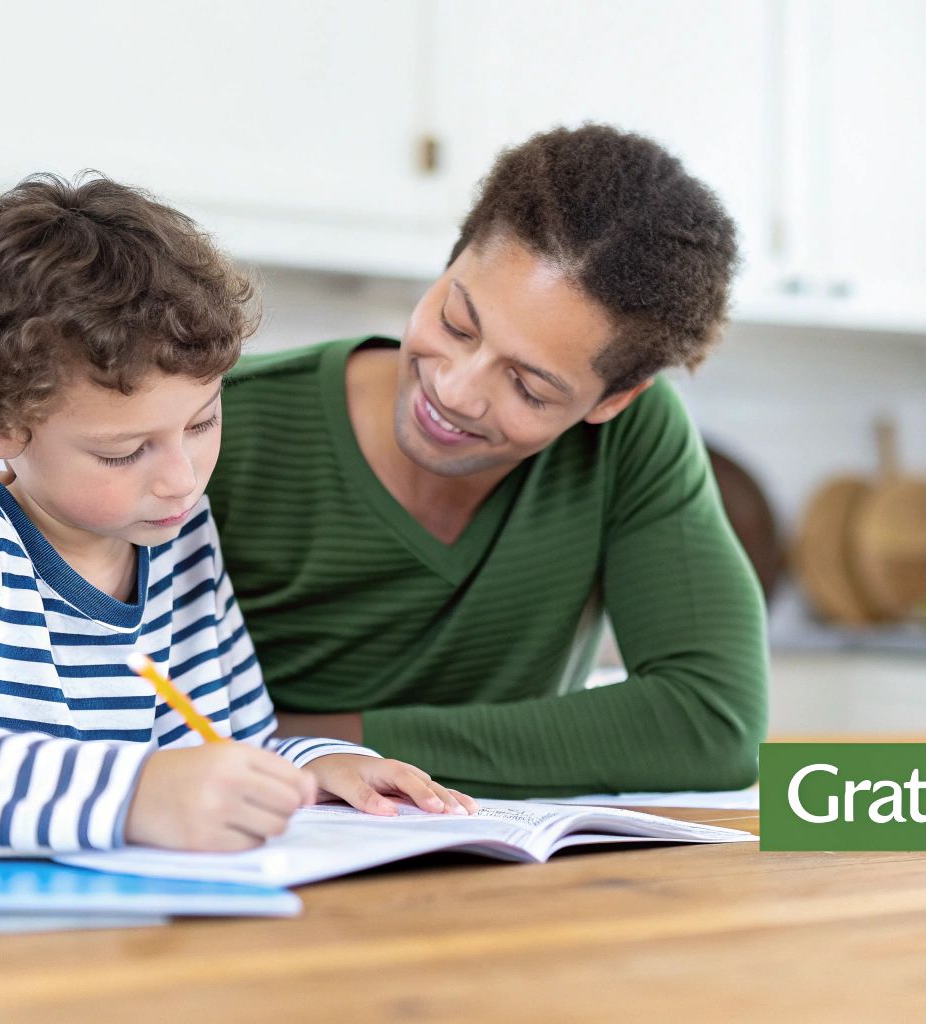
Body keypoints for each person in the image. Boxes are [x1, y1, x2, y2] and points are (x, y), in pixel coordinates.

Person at [0, 174, 476, 853]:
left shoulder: (179, 541)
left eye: (202, 423)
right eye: (124, 452)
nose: (181, 481)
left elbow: (222, 749)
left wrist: (315, 765)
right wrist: (131, 795)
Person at [209, 125, 768, 797]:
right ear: (450, 261)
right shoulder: (213, 426)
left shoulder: (629, 441)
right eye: (456, 323)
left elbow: (712, 722)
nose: (454, 390)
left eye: (529, 387)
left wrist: (307, 743)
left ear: (613, 400)